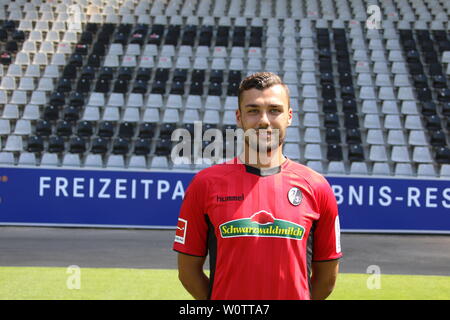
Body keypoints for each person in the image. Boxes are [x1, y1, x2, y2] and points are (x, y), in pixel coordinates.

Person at [173, 72, 342, 300]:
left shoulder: (317, 186)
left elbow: (327, 278)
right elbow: (188, 272)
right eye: (253, 111)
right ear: (239, 117)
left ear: (289, 116)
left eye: (274, 110)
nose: (264, 120)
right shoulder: (205, 185)